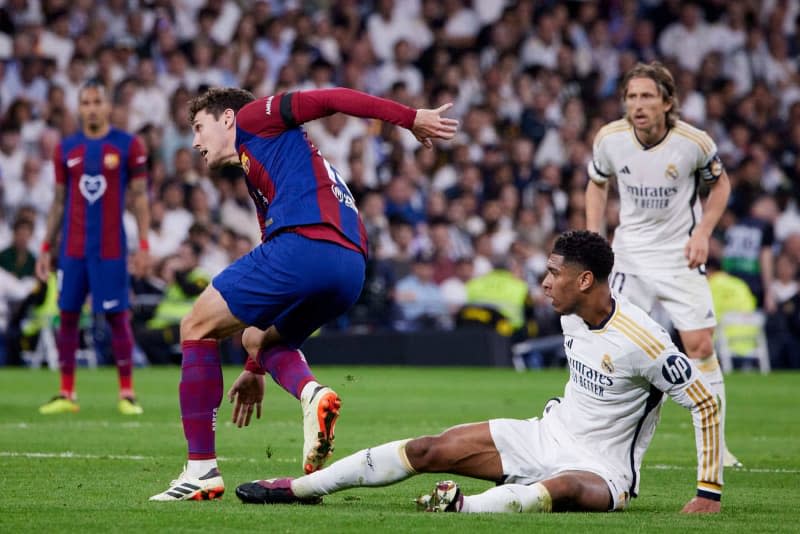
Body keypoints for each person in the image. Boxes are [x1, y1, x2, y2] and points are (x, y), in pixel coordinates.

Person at [233, 231, 722, 514]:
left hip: (603, 471)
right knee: (428, 447)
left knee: (565, 488)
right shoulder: (570, 311)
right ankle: (300, 489)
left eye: (554, 273)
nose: (545, 282)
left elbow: (705, 401)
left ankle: (459, 508)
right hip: (544, 435)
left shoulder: (646, 341)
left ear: (586, 281)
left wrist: (707, 494)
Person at [150, 86, 458, 501]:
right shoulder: (265, 164)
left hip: (305, 244)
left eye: (199, 127)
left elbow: (331, 98)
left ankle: (201, 469)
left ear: (227, 118)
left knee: (196, 324)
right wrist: (255, 367)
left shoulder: (256, 117)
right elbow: (267, 241)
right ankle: (313, 394)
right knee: (255, 337)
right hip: (349, 270)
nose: (194, 142)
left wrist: (410, 117)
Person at [584, 62, 740, 467]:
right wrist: (593, 235)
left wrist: (703, 232)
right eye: (632, 96)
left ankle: (716, 448)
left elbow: (720, 183)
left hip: (678, 257)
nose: (638, 105)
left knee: (700, 345)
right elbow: (597, 184)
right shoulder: (610, 139)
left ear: (668, 102)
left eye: (647, 96)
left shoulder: (694, 142)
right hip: (629, 256)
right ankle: (599, 442)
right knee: (612, 346)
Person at [35, 80, 150, 416]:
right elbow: (58, 201)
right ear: (79, 107)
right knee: (67, 315)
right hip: (72, 248)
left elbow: (141, 197)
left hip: (111, 248)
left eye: (97, 101)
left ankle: (127, 394)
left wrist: (144, 246)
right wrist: (45, 246)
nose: (92, 108)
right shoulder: (66, 148)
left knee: (117, 317)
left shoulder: (128, 145)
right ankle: (66, 393)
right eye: (85, 102)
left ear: (108, 107)